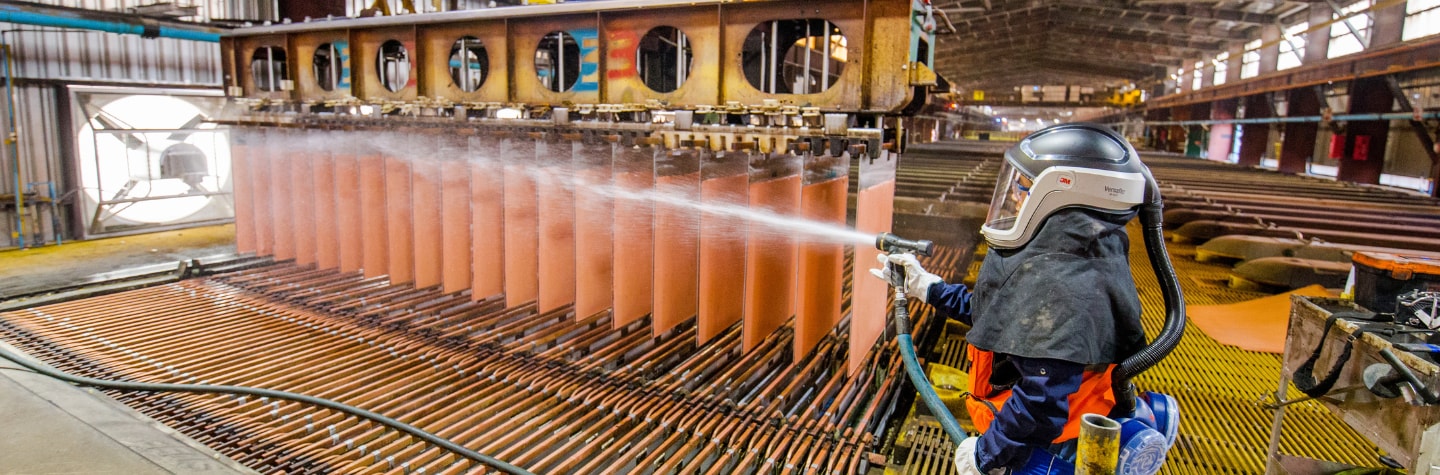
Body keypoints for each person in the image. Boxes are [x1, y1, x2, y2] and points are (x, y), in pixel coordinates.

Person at [872, 123, 1151, 474]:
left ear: (1062, 194)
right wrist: (929, 288)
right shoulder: (1072, 252)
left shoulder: (1064, 282)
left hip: (1050, 450)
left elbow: (1040, 402)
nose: (1017, 196)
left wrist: (987, 454)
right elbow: (1009, 318)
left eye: (1025, 187)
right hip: (1047, 435)